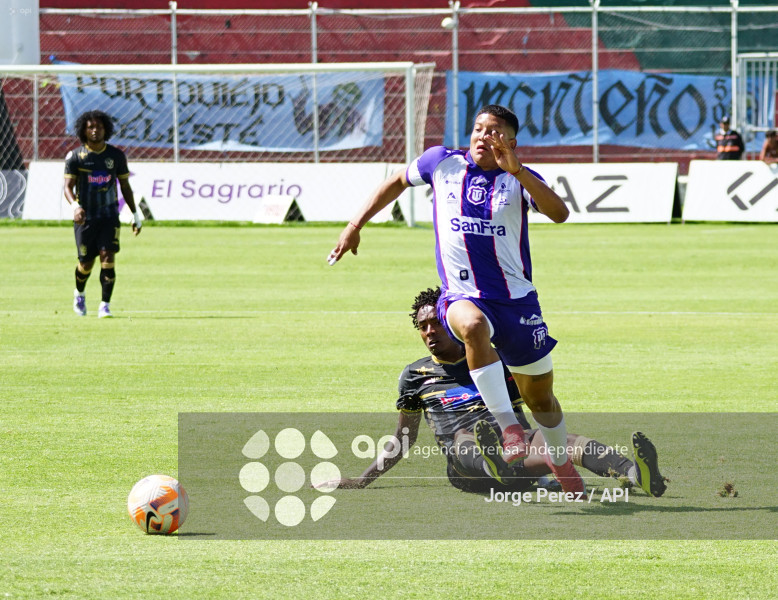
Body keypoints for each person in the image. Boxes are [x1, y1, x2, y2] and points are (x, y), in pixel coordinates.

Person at [328, 104, 586, 495]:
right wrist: (355, 225)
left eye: (495, 131)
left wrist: (516, 169)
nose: (484, 136)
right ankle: (509, 429)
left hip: (517, 303)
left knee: (541, 399)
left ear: (511, 142)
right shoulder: (442, 162)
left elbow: (560, 213)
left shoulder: (519, 179)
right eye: (479, 128)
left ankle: (563, 463)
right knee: (472, 326)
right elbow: (397, 181)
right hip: (462, 295)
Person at [320, 287, 667, 498]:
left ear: (453, 321)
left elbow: (539, 398)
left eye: (435, 323)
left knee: (560, 442)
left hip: (517, 447)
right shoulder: (415, 376)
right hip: (465, 468)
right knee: (465, 439)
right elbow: (403, 438)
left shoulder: (498, 360)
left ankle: (636, 474)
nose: (429, 331)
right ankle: (494, 464)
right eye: (422, 326)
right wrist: (360, 481)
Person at [64, 110, 142, 318]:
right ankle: (79, 293)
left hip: (109, 216)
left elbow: (125, 185)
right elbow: (67, 187)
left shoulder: (115, 156)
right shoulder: (75, 157)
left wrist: (135, 214)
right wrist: (75, 207)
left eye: (99, 126)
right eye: (90, 127)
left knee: (108, 257)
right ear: (83, 130)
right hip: (85, 218)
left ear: (106, 129)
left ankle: (104, 305)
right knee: (86, 263)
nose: (95, 130)